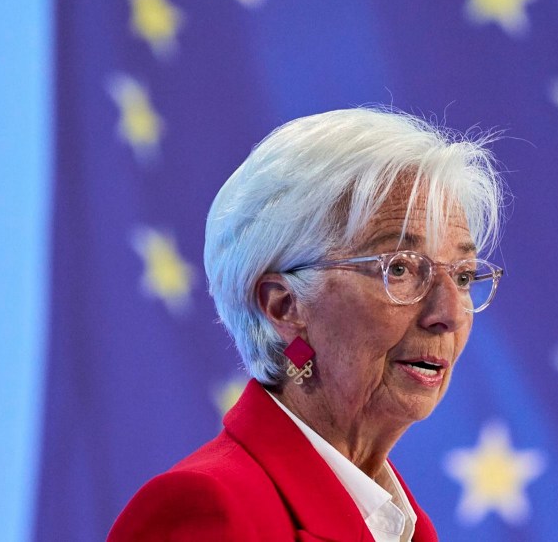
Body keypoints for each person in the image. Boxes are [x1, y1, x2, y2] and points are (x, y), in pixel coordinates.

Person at [108, 107, 506, 541]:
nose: (447, 314)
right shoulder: (207, 512)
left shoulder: (404, 528)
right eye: (399, 269)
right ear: (284, 307)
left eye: (464, 276)